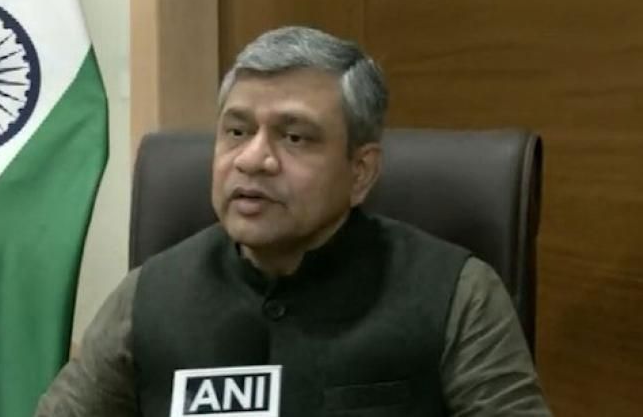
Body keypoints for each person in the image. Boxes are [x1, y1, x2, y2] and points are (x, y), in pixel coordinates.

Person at [35, 26, 551, 416]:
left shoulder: (456, 293)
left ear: (360, 171)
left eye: (295, 137)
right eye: (237, 132)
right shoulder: (147, 296)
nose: (253, 159)